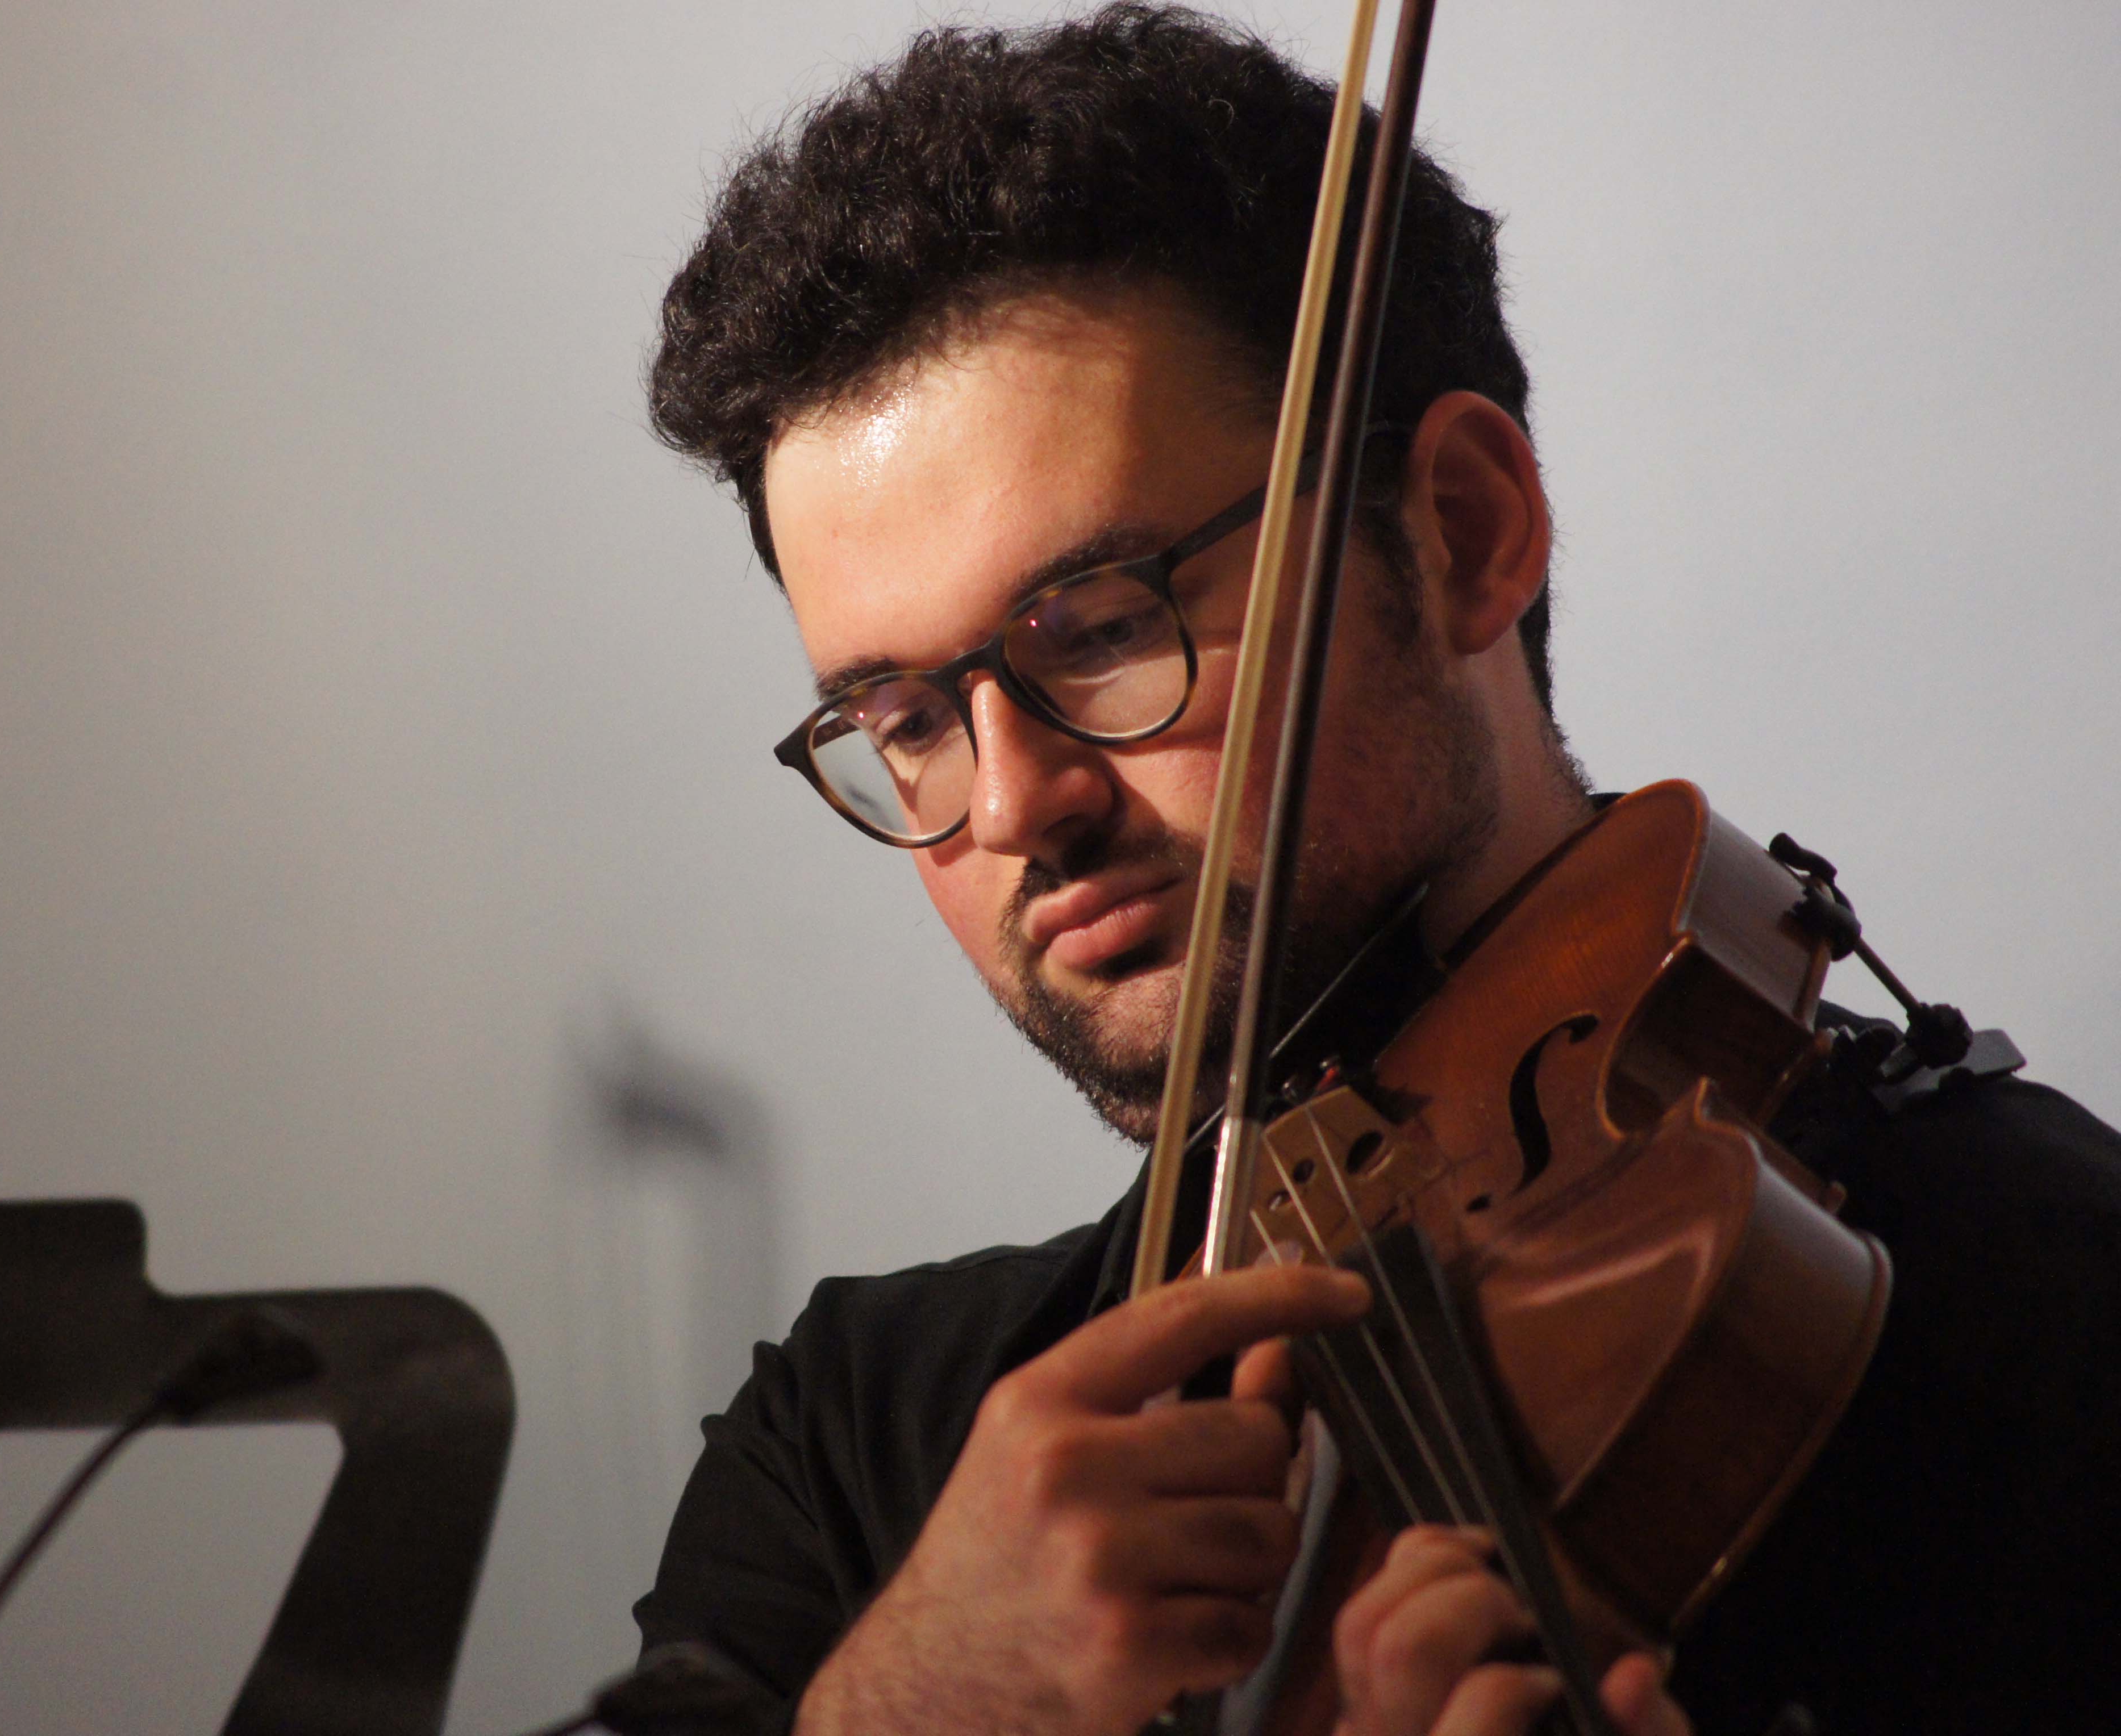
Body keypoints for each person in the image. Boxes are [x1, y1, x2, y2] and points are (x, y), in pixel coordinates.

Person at [631, 8, 2121, 1734]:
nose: (1018, 803)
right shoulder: (855, 1455)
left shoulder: (2032, 1296)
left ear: (1465, 532)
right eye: (903, 719)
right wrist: (918, 1703)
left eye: (1101, 628)